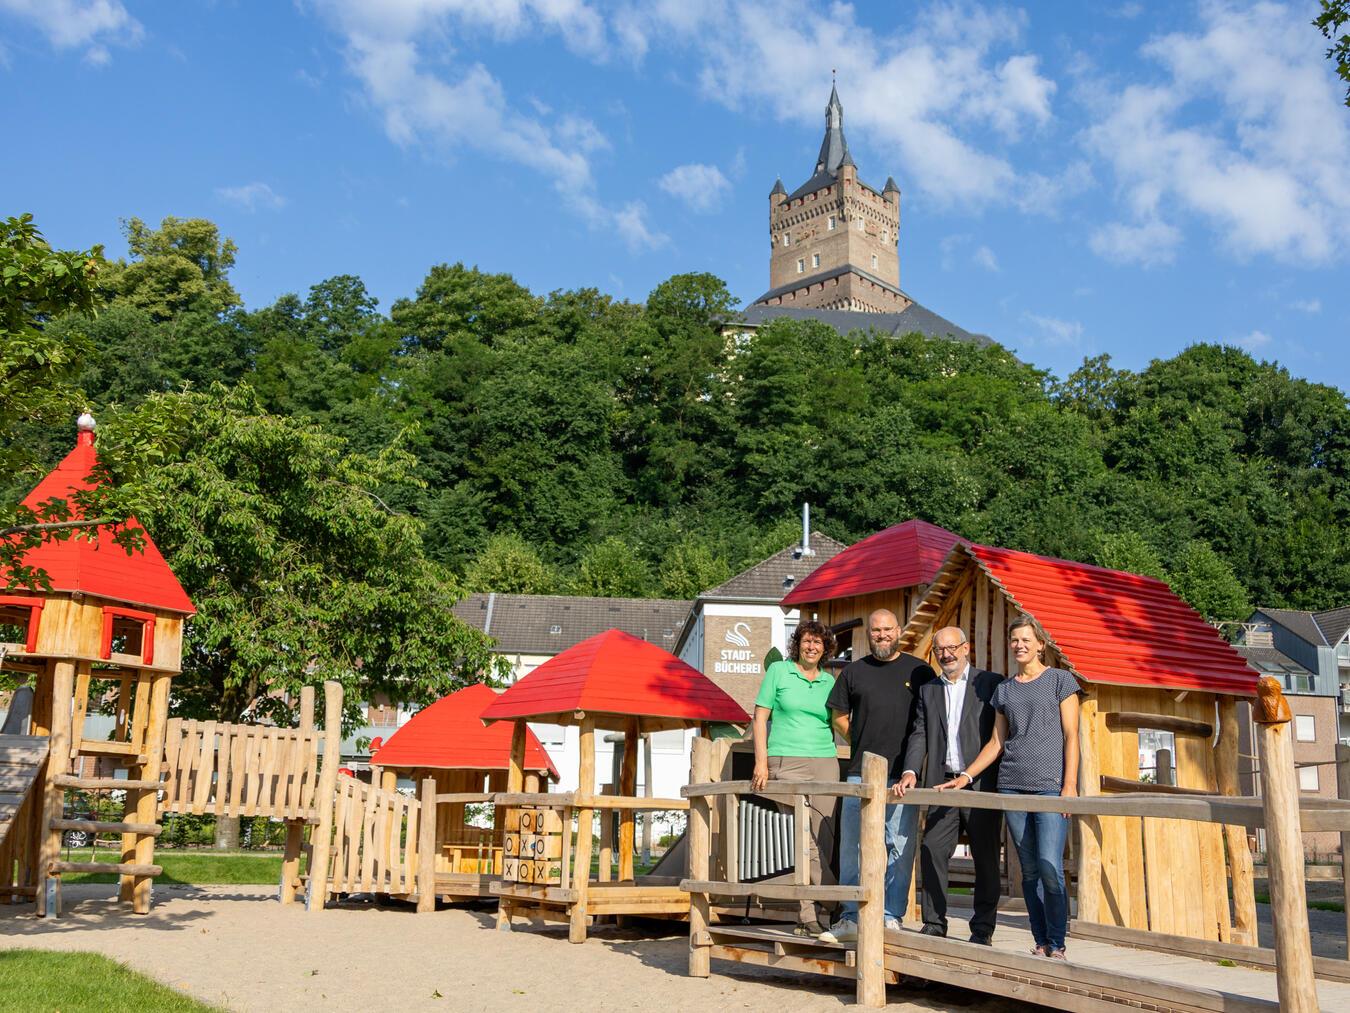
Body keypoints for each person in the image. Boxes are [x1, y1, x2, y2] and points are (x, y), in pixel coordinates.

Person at [934, 616, 1080, 960]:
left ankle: (1057, 941)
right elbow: (997, 743)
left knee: (1050, 865)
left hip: (1050, 787)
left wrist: (1070, 784)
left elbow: (1072, 736)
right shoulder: (1005, 689)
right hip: (1012, 786)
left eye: (1026, 639)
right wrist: (966, 776)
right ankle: (1041, 940)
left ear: (1040, 644)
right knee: (1029, 869)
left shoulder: (1060, 681)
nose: (1019, 645)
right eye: (1015, 640)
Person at [818, 609, 934, 943]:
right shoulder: (854, 672)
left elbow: (930, 721)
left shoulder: (920, 671)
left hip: (903, 775)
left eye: (887, 629)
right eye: (875, 630)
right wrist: (861, 741)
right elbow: (838, 716)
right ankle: (850, 918)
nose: (882, 635)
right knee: (852, 846)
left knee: (899, 846)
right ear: (868, 634)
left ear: (898, 631)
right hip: (860, 773)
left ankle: (890, 916)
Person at [893, 626, 1003, 944]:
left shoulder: (989, 683)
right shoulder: (928, 690)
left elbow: (999, 734)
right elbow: (919, 733)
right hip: (942, 783)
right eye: (940, 649)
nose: (946, 654)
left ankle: (982, 928)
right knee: (932, 848)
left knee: (985, 856)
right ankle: (934, 922)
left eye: (952, 647)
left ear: (966, 648)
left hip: (980, 782)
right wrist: (911, 770)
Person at [751, 619, 839, 934]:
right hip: (785, 761)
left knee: (823, 837)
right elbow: (760, 718)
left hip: (826, 762)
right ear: (798, 644)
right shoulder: (779, 671)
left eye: (818, 642)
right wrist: (761, 762)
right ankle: (835, 900)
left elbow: (839, 723)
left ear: (825, 649)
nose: (811, 647)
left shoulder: (829, 681)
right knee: (801, 837)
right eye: (806, 641)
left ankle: (812, 916)